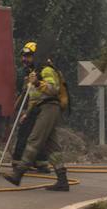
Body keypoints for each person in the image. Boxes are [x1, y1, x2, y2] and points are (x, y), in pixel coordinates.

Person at [4, 40, 69, 191]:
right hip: (41, 108)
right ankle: (62, 180)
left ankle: (18, 173)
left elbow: (53, 89)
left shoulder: (46, 70)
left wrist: (38, 83)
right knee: (52, 146)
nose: (24, 59)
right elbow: (34, 96)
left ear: (36, 56)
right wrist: (27, 113)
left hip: (49, 107)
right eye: (23, 56)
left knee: (34, 139)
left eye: (28, 56)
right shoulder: (35, 72)